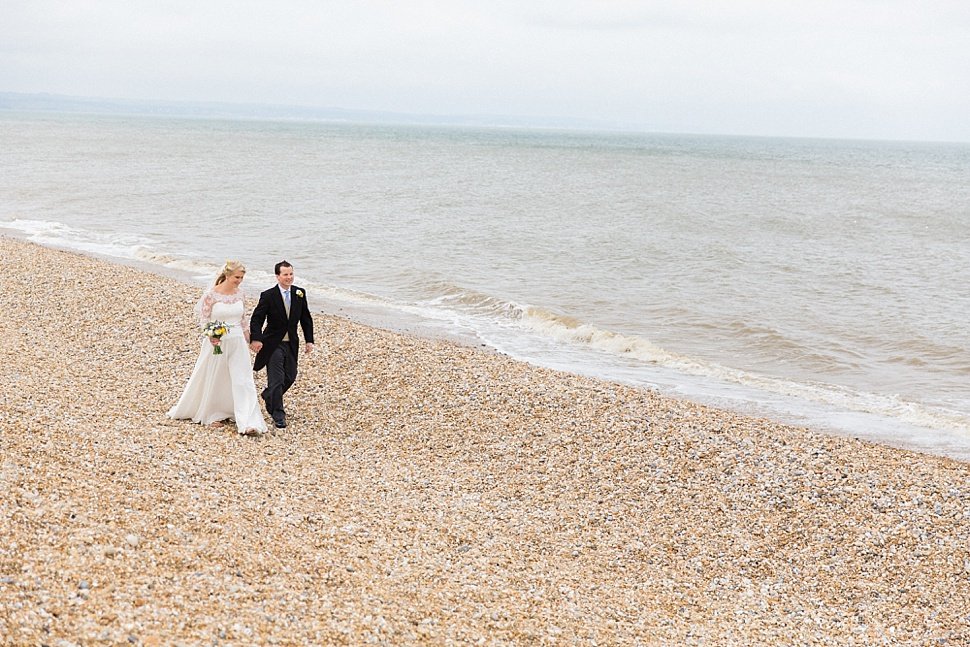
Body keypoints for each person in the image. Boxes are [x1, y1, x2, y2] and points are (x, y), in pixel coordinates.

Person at [168, 260, 268, 436]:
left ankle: (246, 420)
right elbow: (204, 320)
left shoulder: (241, 294)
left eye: (242, 278)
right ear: (227, 275)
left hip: (237, 341)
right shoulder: (212, 295)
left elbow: (243, 320)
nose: (239, 280)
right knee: (217, 377)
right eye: (237, 277)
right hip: (218, 341)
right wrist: (211, 336)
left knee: (242, 378)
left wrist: (250, 341)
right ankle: (213, 414)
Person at [250, 260, 314, 428]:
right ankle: (278, 414)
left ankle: (268, 395)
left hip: (291, 343)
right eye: (285, 274)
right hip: (272, 344)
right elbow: (257, 319)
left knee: (290, 376)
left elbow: (305, 319)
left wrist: (309, 340)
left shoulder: (300, 293)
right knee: (276, 379)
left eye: (291, 274)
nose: (289, 277)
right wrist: (256, 338)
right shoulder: (268, 295)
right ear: (277, 276)